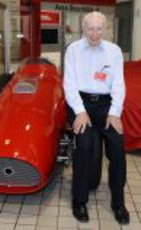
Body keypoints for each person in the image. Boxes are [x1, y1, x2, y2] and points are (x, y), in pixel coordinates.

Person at [64, 12, 129, 224]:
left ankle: (118, 203)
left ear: (106, 29)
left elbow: (119, 85)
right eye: (90, 28)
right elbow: (70, 84)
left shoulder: (114, 51)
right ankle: (79, 200)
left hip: (106, 105)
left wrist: (114, 112)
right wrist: (80, 111)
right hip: (79, 103)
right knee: (83, 145)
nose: (94, 33)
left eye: (99, 28)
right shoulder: (73, 50)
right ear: (83, 29)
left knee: (118, 147)